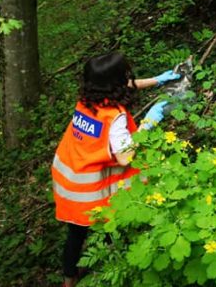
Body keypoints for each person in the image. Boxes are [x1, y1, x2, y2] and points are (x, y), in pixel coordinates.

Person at [50, 52, 179, 287]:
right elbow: (125, 156)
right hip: (89, 191)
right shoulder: (115, 118)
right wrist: (150, 122)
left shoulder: (86, 99)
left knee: (75, 236)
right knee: (111, 230)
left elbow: (121, 87)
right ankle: (117, 270)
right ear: (118, 81)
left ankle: (68, 281)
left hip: (69, 182)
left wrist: (157, 80)